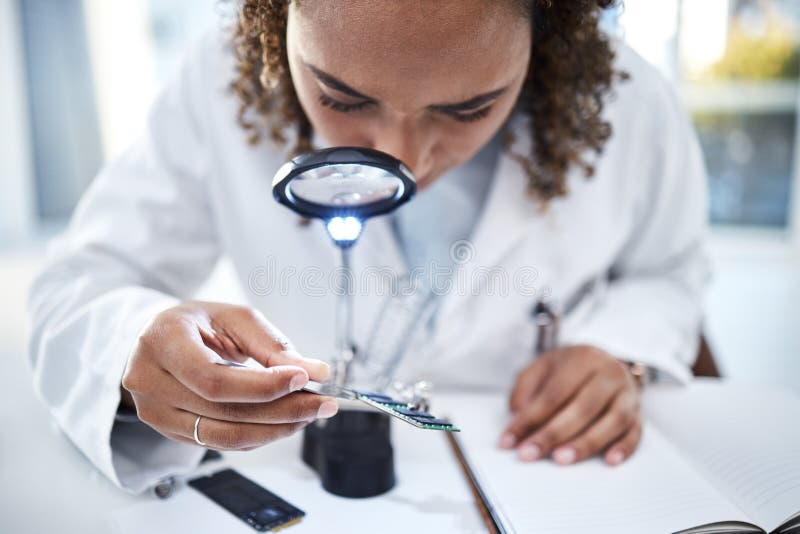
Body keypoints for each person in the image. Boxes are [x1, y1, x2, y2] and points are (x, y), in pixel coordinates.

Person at [27, 0, 709, 494]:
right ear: (275, 19)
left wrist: (622, 351)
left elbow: (670, 274)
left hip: (539, 482)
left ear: (548, 30)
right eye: (342, 98)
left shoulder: (630, 102)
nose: (401, 160)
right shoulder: (216, 84)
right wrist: (131, 341)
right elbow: (80, 283)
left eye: (467, 109)